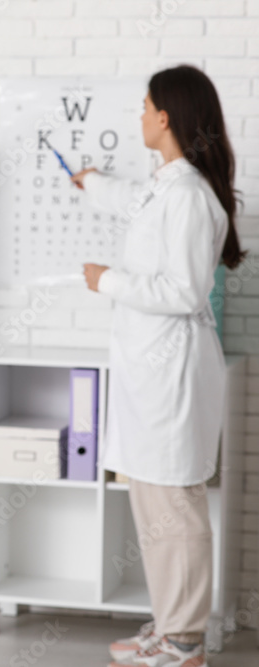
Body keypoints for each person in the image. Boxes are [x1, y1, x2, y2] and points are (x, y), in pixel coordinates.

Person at [72, 64, 246, 667]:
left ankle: (185, 642)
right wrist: (91, 182)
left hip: (173, 377)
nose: (140, 116)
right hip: (149, 375)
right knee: (153, 505)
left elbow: (184, 291)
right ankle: (170, 626)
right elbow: (131, 200)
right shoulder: (166, 186)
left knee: (175, 507)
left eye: (145, 107)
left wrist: (107, 281)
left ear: (166, 117)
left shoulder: (193, 197)